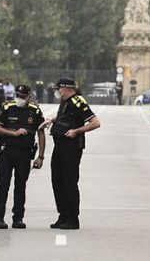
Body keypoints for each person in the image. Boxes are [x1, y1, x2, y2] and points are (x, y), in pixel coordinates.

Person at [39, 78, 101, 230]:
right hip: (59, 145)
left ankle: (73, 218)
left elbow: (95, 122)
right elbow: (67, 117)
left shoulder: (78, 101)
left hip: (71, 147)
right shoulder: (65, 102)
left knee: (69, 182)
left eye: (58, 88)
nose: (57, 91)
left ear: (65, 89)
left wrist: (76, 131)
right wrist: (52, 120)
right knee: (57, 181)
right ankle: (63, 215)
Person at [0, 85, 46, 229]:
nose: (19, 99)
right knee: (3, 185)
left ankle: (18, 218)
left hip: (24, 153)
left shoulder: (35, 110)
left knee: (20, 186)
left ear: (29, 96)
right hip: (7, 151)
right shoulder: (8, 106)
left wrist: (41, 156)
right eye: (18, 95)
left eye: (23, 96)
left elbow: (41, 133)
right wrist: (14, 133)